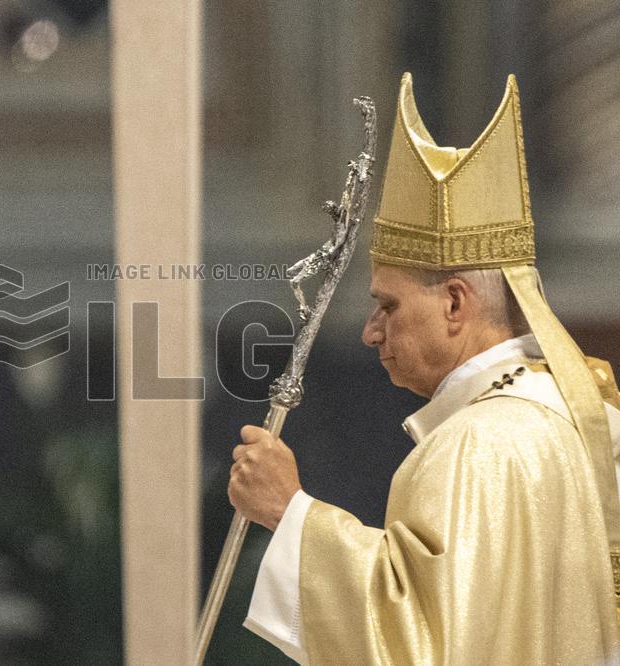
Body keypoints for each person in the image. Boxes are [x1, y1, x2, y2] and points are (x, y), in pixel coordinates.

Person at [228, 73, 620, 664]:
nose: (370, 331)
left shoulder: (474, 447)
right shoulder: (579, 419)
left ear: (455, 303)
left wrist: (289, 511)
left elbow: (415, 643)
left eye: (388, 305)